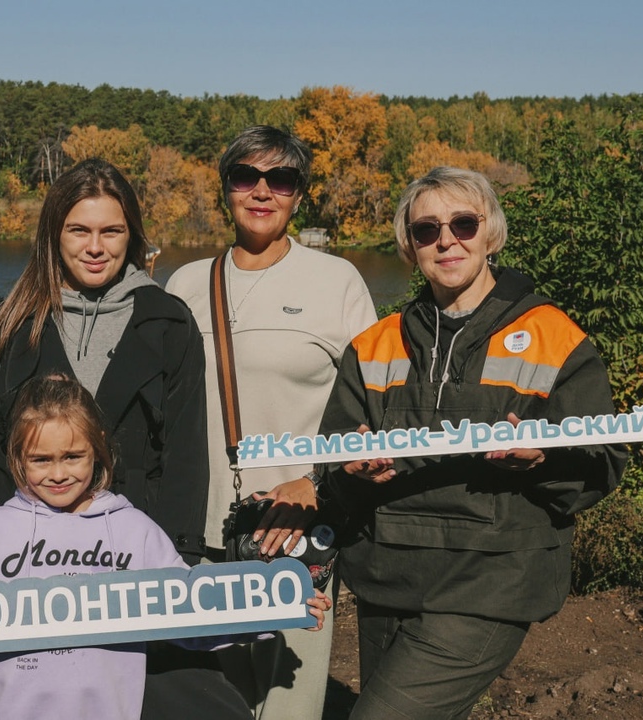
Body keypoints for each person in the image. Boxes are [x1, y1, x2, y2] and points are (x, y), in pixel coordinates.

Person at [0, 374, 333, 720]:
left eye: (73, 456)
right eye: (41, 461)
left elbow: (192, 610)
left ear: (98, 453)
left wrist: (273, 604)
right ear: (17, 462)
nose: (58, 474)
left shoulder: (133, 529)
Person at [317, 166, 628, 719]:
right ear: (409, 247)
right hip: (388, 574)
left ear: (491, 233)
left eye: (463, 223)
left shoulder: (553, 337)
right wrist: (351, 469)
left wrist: (541, 459)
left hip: (491, 582)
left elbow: (604, 461)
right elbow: (333, 458)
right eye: (425, 229)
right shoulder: (375, 344)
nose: (446, 240)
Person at [0, 158, 227, 716]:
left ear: (131, 234)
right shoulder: (12, 326)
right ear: (53, 234)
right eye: (79, 230)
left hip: (131, 566)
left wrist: (177, 569)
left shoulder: (168, 322)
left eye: (111, 231)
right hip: (29, 572)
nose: (95, 246)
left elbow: (185, 455)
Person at [166, 125, 377, 720]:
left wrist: (318, 485)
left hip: (296, 538)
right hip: (202, 540)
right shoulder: (184, 284)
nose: (262, 191)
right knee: (214, 705)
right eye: (246, 176)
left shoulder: (337, 282)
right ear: (226, 189)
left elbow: (372, 412)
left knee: (289, 707)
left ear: (298, 194)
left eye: (280, 179)